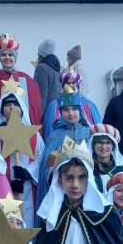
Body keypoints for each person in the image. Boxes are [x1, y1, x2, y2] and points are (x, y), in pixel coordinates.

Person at [0, 87, 44, 228]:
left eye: (15, 104)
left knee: (28, 222)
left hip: (27, 188)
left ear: (22, 108)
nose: (12, 107)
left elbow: (40, 158)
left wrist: (27, 173)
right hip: (3, 188)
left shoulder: (33, 135)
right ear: (1, 110)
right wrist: (6, 181)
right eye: (7, 105)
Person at [35, 83, 92, 211]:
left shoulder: (89, 133)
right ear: (60, 113)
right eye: (66, 110)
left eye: (74, 109)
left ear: (80, 111)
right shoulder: (54, 137)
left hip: (86, 188)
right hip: (62, 191)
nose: (71, 113)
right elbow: (45, 168)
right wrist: (51, 171)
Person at [0, 33, 42, 126]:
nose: (7, 57)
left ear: (15, 57)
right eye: (3, 54)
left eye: (10, 55)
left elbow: (34, 109)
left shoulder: (27, 80)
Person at [42, 70, 102, 139]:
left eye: (73, 83)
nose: (70, 85)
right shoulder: (54, 105)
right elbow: (48, 128)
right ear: (63, 84)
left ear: (77, 84)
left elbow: (98, 127)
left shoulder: (88, 104)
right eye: (68, 83)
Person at [88, 123, 123, 194]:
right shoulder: (87, 169)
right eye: (99, 142)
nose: (104, 147)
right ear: (93, 145)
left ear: (113, 147)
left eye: (108, 143)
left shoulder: (121, 171)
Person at [33, 38, 61, 119]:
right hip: (57, 114)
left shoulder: (42, 68)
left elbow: (40, 95)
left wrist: (37, 118)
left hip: (46, 116)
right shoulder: (57, 70)